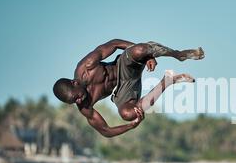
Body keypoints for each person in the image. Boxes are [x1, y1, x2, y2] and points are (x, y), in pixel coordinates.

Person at [53, 40, 204, 137]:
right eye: (74, 102)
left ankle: (178, 54)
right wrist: (131, 126)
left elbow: (114, 44)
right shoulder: (84, 107)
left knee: (140, 50)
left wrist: (149, 56)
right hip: (120, 91)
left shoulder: (86, 66)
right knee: (128, 113)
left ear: (74, 83)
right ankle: (168, 81)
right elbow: (106, 131)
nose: (78, 101)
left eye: (76, 97)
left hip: (123, 67)